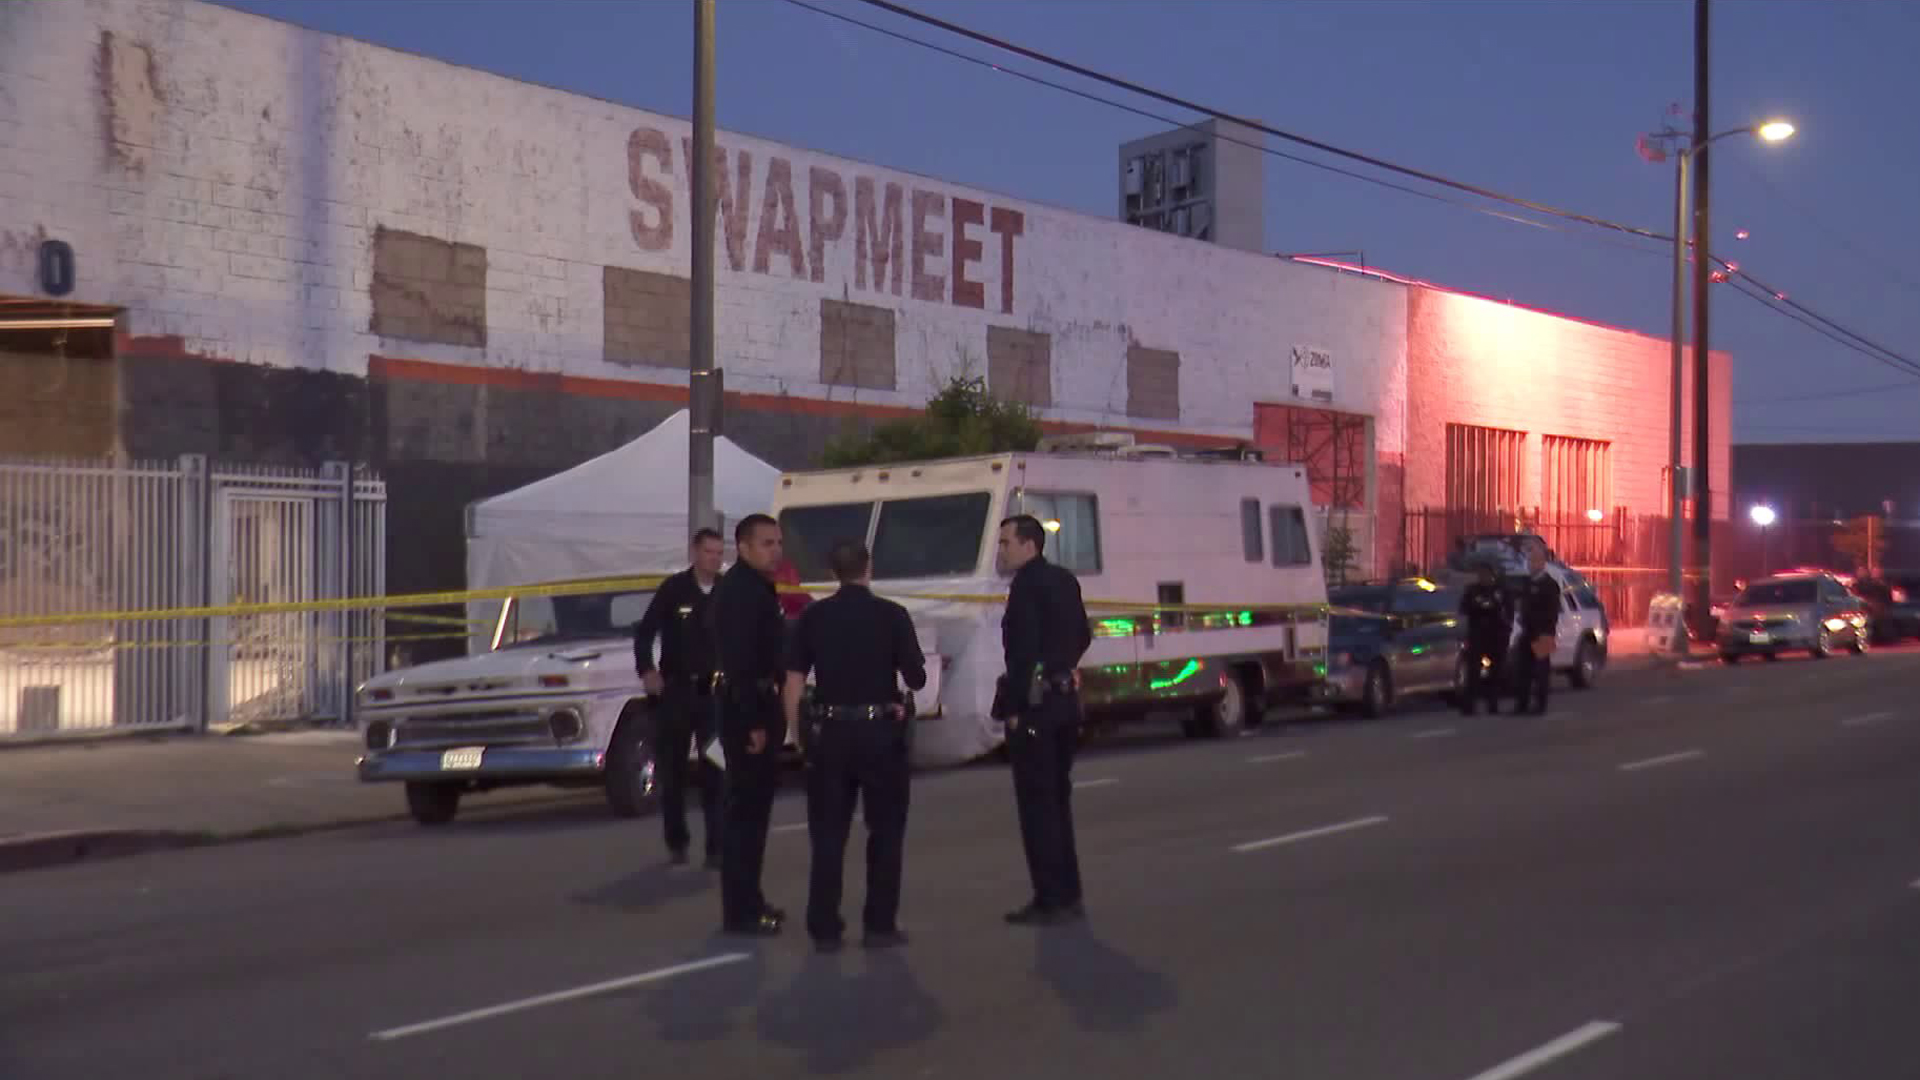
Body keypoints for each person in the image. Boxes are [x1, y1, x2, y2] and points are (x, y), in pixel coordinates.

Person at [782, 539, 926, 952]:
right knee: (885, 830)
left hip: (830, 734)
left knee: (828, 834)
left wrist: (799, 738)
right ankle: (879, 924)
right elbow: (916, 678)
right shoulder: (892, 615)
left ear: (832, 573)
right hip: (880, 733)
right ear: (869, 569)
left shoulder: (812, 617)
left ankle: (824, 926)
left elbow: (792, 684)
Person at [991, 513, 1093, 926]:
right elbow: (1082, 635)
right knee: (1058, 800)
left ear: (1028, 545)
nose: (1002, 550)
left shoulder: (1026, 588)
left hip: (1035, 708)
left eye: (1006, 543)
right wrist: (1063, 666)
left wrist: (1014, 709)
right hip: (1064, 702)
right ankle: (1068, 892)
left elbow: (1021, 654)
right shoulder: (1065, 581)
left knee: (1037, 805)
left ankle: (1050, 897)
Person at [709, 513, 790, 936]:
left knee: (754, 813)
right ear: (742, 547)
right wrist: (754, 723)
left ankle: (750, 899)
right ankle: (741, 910)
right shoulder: (741, 591)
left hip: (756, 701)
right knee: (747, 815)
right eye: (766, 543)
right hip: (748, 707)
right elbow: (741, 663)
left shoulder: (756, 586)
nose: (774, 550)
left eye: (777, 542)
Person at [632, 528, 727, 868]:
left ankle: (717, 846)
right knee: (673, 772)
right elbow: (645, 633)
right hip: (677, 693)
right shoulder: (674, 590)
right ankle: (677, 841)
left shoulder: (727, 591)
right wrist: (647, 670)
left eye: (719, 552)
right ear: (694, 553)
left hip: (714, 694)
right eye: (708, 552)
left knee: (716, 770)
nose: (714, 559)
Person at [1512, 540, 1562, 715]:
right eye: (1529, 560)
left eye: (1534, 560)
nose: (1531, 564)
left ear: (1542, 563)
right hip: (1527, 631)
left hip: (1544, 633)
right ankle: (1522, 704)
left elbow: (1552, 611)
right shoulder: (1527, 583)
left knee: (1541, 670)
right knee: (1523, 669)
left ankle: (1540, 705)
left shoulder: (1550, 585)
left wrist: (1544, 630)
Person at [1457, 560, 1510, 716]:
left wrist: (1506, 628)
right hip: (1477, 635)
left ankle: (1492, 704)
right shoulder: (1472, 590)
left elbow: (1507, 611)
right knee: (1473, 671)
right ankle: (1469, 705)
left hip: (1496, 636)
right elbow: (1464, 608)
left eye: (1486, 574)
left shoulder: (1501, 591)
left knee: (1495, 672)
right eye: (1481, 574)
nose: (1483, 577)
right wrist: (1479, 606)